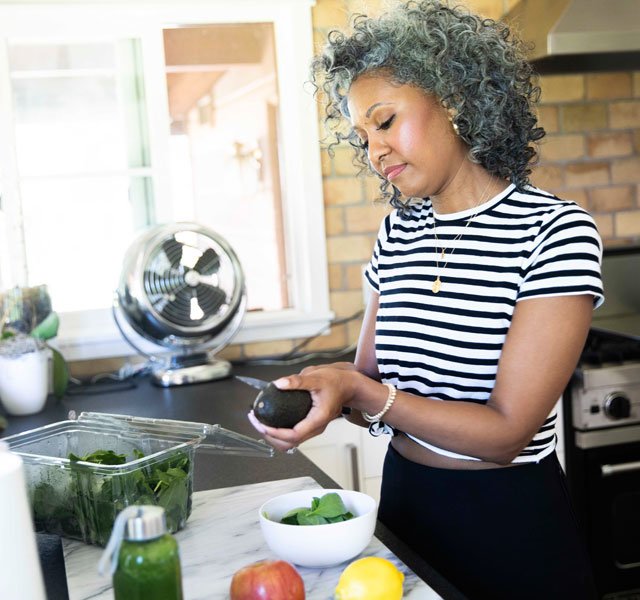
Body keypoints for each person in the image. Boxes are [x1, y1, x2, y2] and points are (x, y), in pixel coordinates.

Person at [248, 2, 602, 598]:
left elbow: (505, 432)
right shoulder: (400, 232)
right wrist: (319, 393)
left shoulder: (555, 231)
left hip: (508, 523)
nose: (374, 151)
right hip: (406, 504)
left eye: (385, 122)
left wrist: (362, 392)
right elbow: (367, 383)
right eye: (362, 136)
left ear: (455, 100)